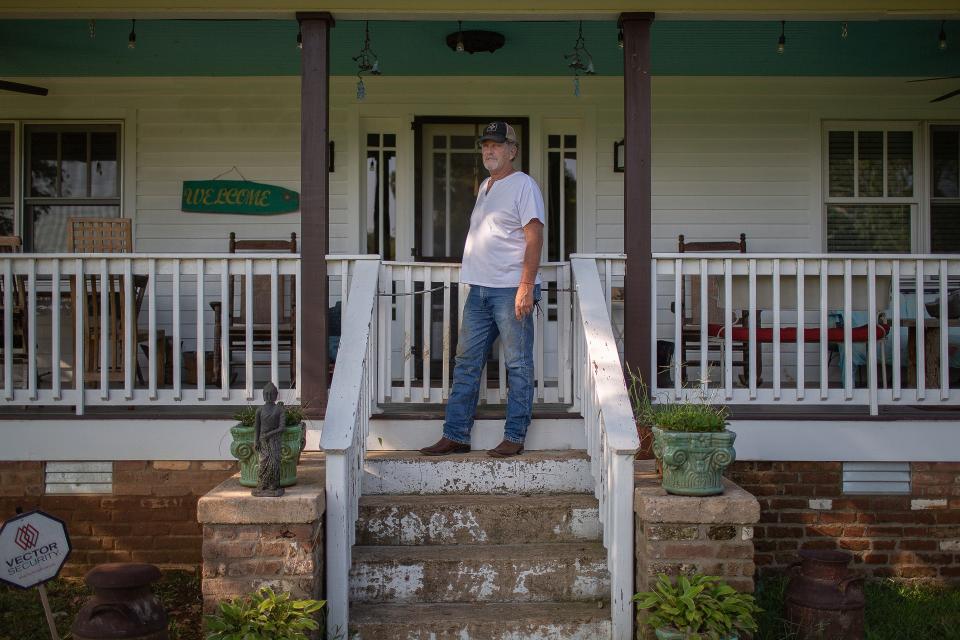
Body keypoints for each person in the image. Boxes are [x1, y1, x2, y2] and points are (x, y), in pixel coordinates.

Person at [420, 122, 545, 458]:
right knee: (466, 363)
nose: (489, 150)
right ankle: (456, 434)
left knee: (518, 364)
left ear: (512, 151)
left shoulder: (524, 186)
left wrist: (526, 285)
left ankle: (515, 436)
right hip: (479, 291)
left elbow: (534, 237)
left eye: (497, 145)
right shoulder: (486, 186)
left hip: (509, 289)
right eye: (485, 145)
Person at [252, 381, 285, 496]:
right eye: (267, 394)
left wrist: (269, 434)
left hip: (274, 440)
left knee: (274, 462)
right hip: (263, 441)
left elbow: (282, 428)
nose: (269, 396)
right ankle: (262, 484)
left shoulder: (279, 409)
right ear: (263, 395)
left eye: (271, 394)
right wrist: (256, 441)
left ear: (276, 395)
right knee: (263, 461)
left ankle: (274, 484)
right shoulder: (259, 410)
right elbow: (257, 427)